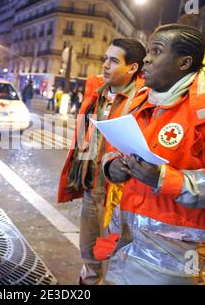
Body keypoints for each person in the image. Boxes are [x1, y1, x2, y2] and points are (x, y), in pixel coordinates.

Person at [101, 24, 205, 285]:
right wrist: (112, 167)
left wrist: (165, 180)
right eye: (148, 51)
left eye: (156, 51)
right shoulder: (142, 101)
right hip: (123, 247)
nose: (146, 58)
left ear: (184, 62)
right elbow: (115, 149)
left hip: (173, 262)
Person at [58, 38, 146, 285]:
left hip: (122, 196)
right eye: (105, 59)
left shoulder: (143, 101)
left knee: (119, 256)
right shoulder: (97, 93)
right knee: (89, 254)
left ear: (132, 68)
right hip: (92, 188)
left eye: (114, 60)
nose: (105, 65)